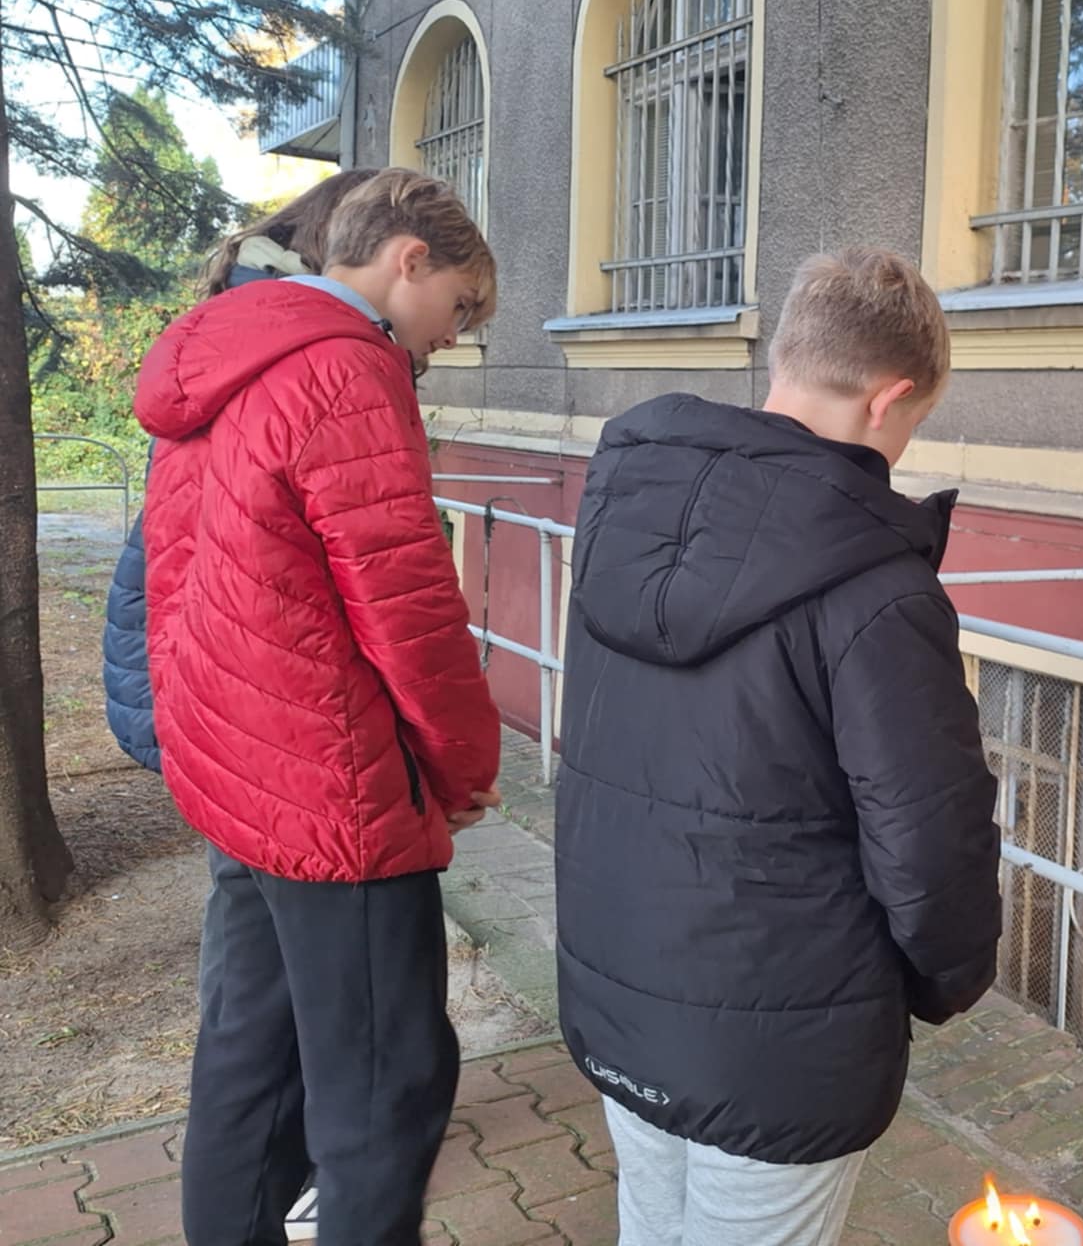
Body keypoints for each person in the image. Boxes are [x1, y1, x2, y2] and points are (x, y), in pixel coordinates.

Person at [555, 247, 1003, 1246]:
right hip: (782, 1043)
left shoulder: (626, 516)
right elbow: (930, 842)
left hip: (622, 992)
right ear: (890, 398)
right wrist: (947, 981)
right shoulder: (877, 587)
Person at [134, 168, 504, 1246]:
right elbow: (409, 606)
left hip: (237, 769)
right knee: (386, 1087)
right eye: (460, 305)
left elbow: (169, 569)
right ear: (408, 259)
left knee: (248, 1057)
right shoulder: (348, 367)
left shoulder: (224, 349)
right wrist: (462, 767)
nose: (453, 336)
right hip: (333, 790)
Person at [101, 167, 377, 1243]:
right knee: (304, 1000)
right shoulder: (304, 354)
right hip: (269, 727)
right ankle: (304, 1177)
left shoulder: (228, 338)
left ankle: (258, 1191)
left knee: (250, 991)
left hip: (217, 714)